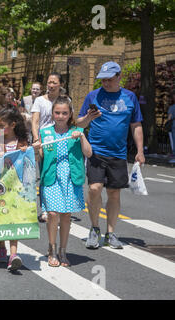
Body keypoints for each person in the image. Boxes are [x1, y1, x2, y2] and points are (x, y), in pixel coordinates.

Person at [77, 61, 145, 250]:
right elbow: (79, 124)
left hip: (119, 153)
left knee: (114, 193)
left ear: (119, 76)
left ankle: (111, 233)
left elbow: (136, 125)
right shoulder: (93, 95)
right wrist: (89, 117)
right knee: (94, 188)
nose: (105, 83)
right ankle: (94, 228)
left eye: (109, 79)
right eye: (102, 79)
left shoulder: (130, 97)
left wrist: (140, 151)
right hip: (96, 152)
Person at [33, 95, 92, 267]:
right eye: (57, 112)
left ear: (70, 113)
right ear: (52, 113)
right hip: (51, 178)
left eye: (64, 113)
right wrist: (37, 149)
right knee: (52, 214)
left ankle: (63, 251)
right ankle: (51, 248)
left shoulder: (77, 131)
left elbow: (89, 153)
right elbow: (39, 158)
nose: (60, 116)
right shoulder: (45, 133)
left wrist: (81, 137)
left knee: (66, 215)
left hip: (71, 178)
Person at [0, 105, 29, 271]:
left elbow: (29, 162)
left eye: (1, 126)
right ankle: (2, 248)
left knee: (13, 219)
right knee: (1, 218)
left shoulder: (22, 142)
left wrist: (26, 151)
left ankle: (13, 254)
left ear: (13, 125)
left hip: (16, 187)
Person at [31, 73, 65, 223]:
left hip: (61, 140)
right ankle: (45, 209)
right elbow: (35, 121)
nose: (50, 85)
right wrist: (37, 140)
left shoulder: (66, 100)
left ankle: (59, 207)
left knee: (62, 175)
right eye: (49, 82)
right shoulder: (39, 101)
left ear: (60, 84)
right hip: (45, 142)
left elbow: (69, 120)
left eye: (54, 83)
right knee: (46, 175)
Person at [167, 90, 175, 158]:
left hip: (174, 125)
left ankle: (174, 153)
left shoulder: (172, 107)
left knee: (174, 140)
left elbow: (169, 118)